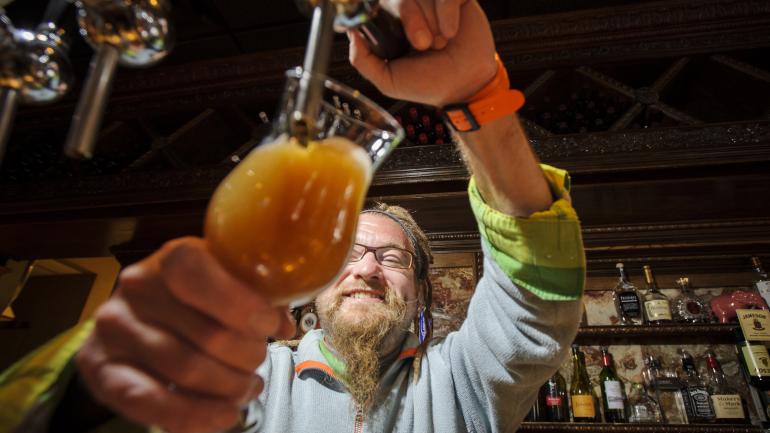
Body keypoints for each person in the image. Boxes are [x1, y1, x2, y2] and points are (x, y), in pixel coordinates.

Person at [0, 0, 585, 432]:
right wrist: (94, 384)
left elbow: (535, 289)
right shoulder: (245, 376)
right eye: (350, 253)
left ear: (423, 291)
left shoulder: (463, 382)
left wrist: (477, 94)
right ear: (313, 283)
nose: (369, 270)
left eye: (392, 257)